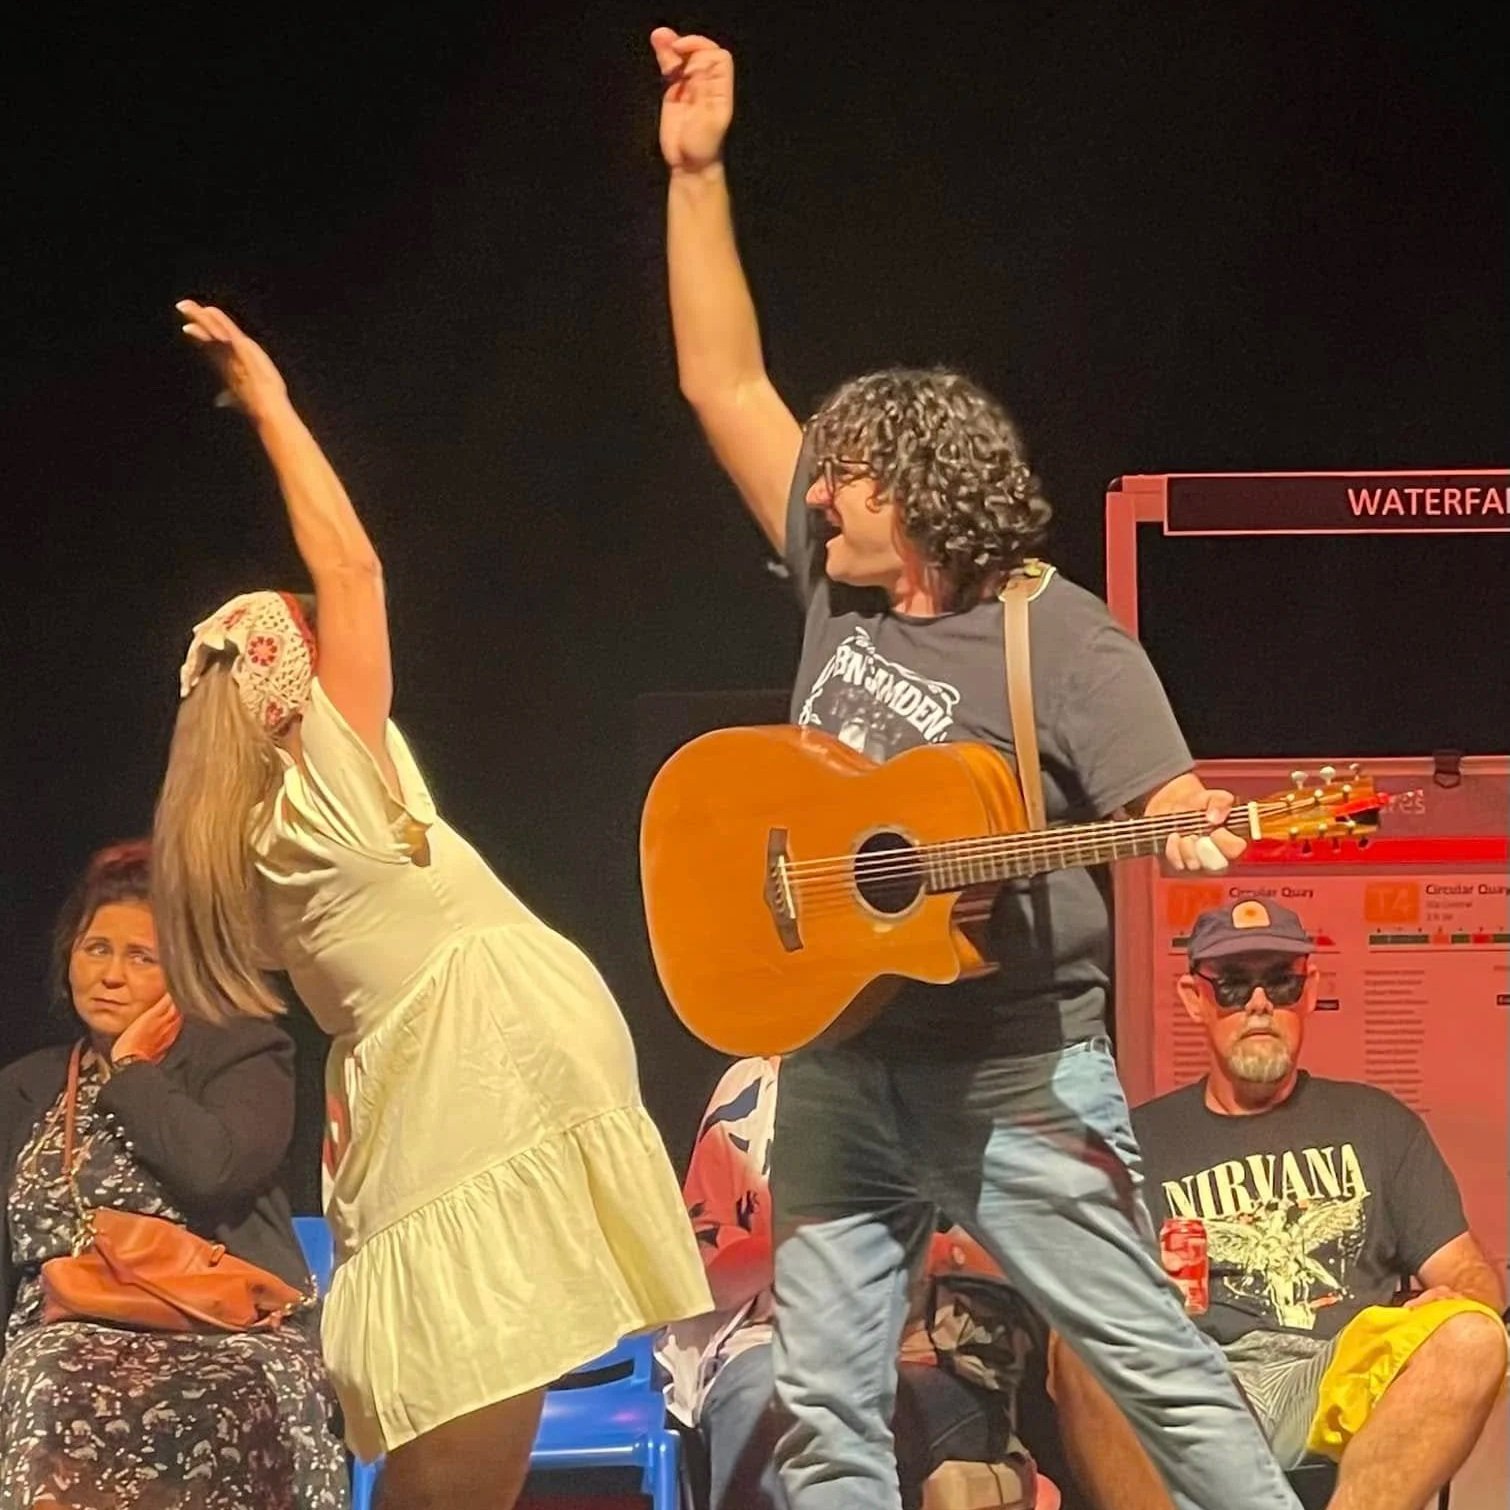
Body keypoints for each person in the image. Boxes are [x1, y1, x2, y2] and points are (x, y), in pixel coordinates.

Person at [650, 27, 1306, 1510]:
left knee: (1154, 1365)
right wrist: (694, 171)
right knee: (824, 1409)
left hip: (1018, 1079)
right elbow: (721, 378)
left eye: (846, 475)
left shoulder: (1058, 639)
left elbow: (1164, 801)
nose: (817, 494)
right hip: (842, 1060)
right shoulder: (837, 593)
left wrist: (1191, 826)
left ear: (923, 490)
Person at [151, 303, 711, 1510]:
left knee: (472, 1408)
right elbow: (353, 567)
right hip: (483, 1073)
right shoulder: (331, 782)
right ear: (291, 690)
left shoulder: (237, 848)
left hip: (414, 1095)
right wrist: (270, 405)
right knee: (475, 1414)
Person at [1048, 898, 1508, 1510]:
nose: (1259, 1004)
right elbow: (1084, 1296)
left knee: (1475, 1336)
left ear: (1309, 990)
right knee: (1079, 1347)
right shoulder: (1136, 1143)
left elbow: (1469, 1275)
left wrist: (1456, 1301)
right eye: (1233, 985)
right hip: (1199, 1381)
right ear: (1194, 999)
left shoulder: (1377, 1123)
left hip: (1336, 1378)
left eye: (1281, 982)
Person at [0, 840, 346, 1510]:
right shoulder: (26, 1087)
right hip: (63, 1337)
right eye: (97, 949)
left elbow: (214, 1170)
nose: (111, 975)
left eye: (141, 958)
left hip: (226, 1332)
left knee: (250, 1386)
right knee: (49, 1378)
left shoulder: (243, 1055)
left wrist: (132, 1073)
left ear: (183, 974)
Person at [659, 1056, 1048, 1510]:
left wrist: (935, 1251)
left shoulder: (951, 1081)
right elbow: (709, 1280)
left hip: (922, 1360)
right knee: (772, 1401)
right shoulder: (756, 1086)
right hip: (768, 1351)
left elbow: (1023, 1263)